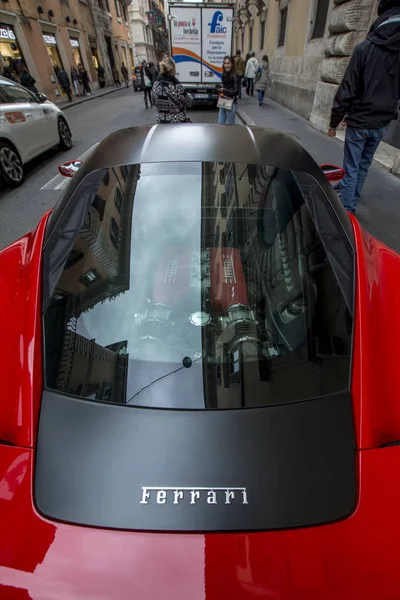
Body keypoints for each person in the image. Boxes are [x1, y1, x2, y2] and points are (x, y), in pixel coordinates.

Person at [328, 0, 400, 214]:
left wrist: (334, 121)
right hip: (381, 122)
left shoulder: (364, 49)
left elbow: (347, 89)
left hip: (359, 120)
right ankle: (351, 197)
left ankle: (348, 209)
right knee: (363, 166)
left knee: (351, 166)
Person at [151, 55, 194, 123]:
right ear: (172, 69)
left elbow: (153, 102)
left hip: (161, 123)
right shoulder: (177, 87)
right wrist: (189, 95)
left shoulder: (156, 85)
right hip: (177, 124)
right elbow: (190, 103)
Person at [217, 56, 238, 125]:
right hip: (223, 101)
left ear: (232, 64)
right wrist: (221, 90)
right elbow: (226, 87)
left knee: (230, 126)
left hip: (231, 103)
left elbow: (236, 91)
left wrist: (224, 90)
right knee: (220, 124)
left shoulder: (234, 75)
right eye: (225, 63)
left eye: (228, 63)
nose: (226, 65)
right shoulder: (224, 74)